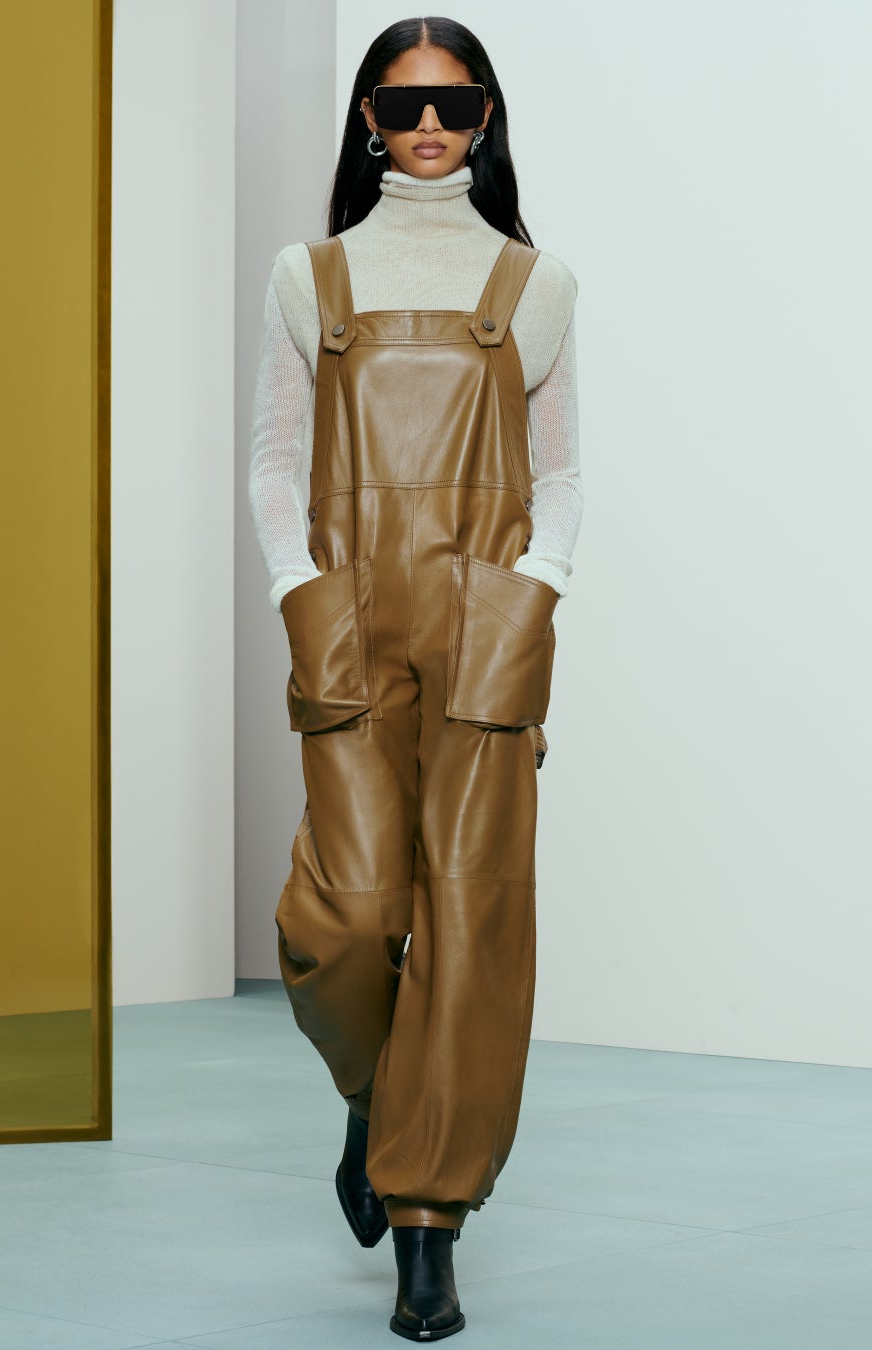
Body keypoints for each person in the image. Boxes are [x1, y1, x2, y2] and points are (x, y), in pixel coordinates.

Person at [249, 15, 581, 1342]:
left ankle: (428, 1225)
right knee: (339, 917)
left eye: (451, 102)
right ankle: (374, 1099)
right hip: (348, 614)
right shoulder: (310, 275)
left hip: (486, 622)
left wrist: (535, 587)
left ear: (485, 116)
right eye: (400, 103)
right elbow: (276, 460)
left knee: (468, 919)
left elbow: (562, 470)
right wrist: (300, 589)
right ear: (369, 119)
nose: (427, 124)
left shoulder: (534, 282)